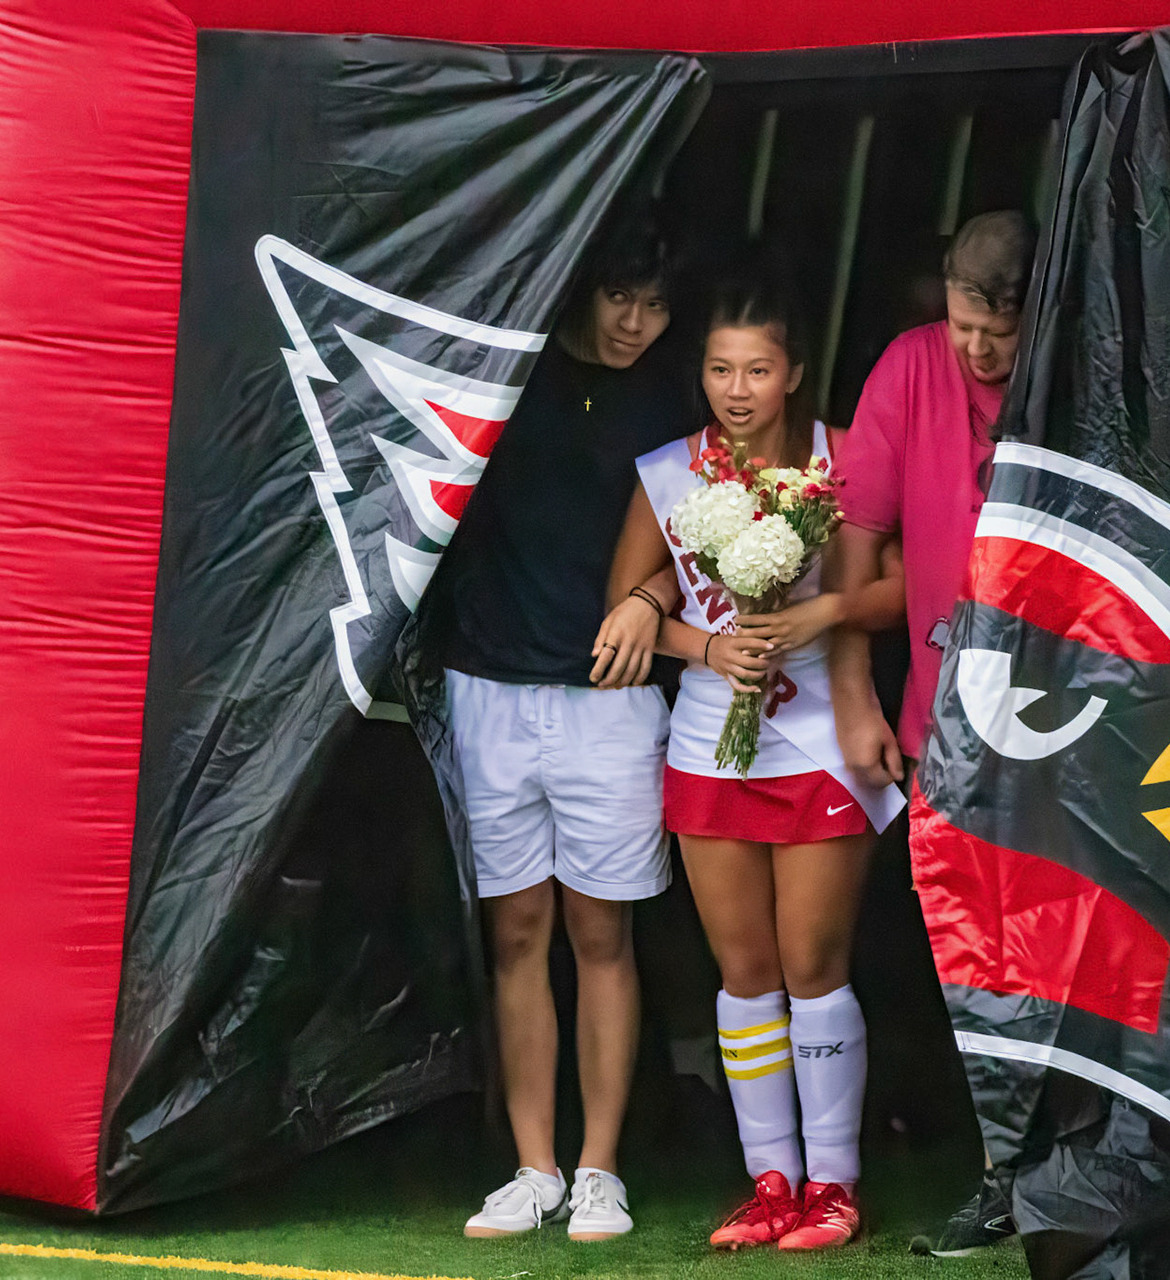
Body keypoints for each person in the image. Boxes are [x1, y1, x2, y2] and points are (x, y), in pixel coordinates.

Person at [604, 273, 906, 1251]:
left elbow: (904, 585)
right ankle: (769, 1182)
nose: (737, 390)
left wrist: (819, 613)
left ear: (796, 373)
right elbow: (626, 607)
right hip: (709, 745)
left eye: (758, 370)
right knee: (744, 972)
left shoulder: (845, 459)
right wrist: (706, 646)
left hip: (820, 738)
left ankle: (835, 1187)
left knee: (813, 965)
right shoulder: (671, 470)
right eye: (720, 369)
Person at [419, 214, 693, 1242]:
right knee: (517, 933)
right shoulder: (507, 368)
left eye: (656, 305)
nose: (636, 322)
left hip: (611, 699)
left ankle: (598, 1170)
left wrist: (651, 600)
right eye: (622, 297)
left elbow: (705, 543)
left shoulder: (671, 395)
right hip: (487, 685)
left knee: (602, 933)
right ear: (582, 285)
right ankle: (531, 1167)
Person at [827, 209, 1036, 1258]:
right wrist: (854, 696)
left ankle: (1076, 1168)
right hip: (941, 724)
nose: (979, 352)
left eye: (999, 333)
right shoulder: (911, 367)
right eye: (965, 329)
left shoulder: (1075, 361)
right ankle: (1002, 1174)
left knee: (1063, 952)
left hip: (1067, 725)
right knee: (970, 958)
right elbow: (853, 547)